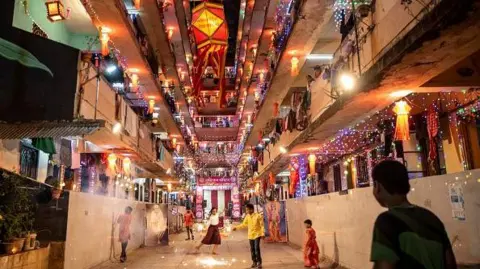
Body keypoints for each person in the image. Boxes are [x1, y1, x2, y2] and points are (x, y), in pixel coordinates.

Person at [370, 160, 457, 269]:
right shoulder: (432, 218)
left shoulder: (387, 221)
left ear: (377, 186)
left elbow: (384, 266)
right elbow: (450, 263)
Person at [233, 204, 265, 268]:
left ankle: (259, 263)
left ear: (252, 209)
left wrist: (262, 234)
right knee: (252, 249)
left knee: (256, 248)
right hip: (250, 235)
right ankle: (254, 262)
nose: (246, 211)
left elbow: (262, 226)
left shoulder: (258, 216)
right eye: (246, 210)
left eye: (247, 210)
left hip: (257, 234)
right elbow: (243, 224)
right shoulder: (247, 216)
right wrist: (236, 227)